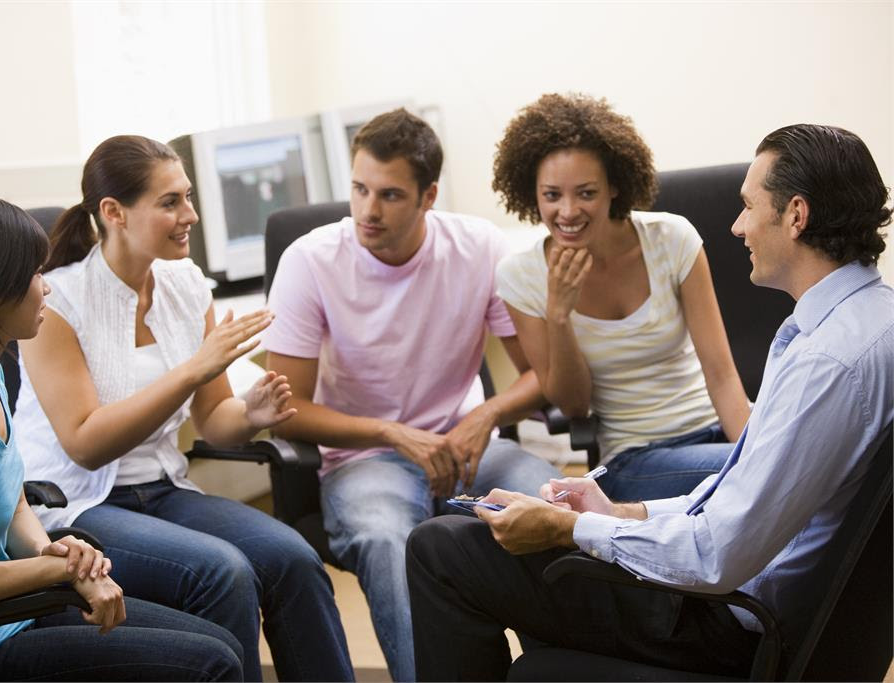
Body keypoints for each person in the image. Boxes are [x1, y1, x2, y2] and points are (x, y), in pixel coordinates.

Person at [407, 123, 894, 681]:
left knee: (439, 549)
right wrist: (622, 512)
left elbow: (718, 552)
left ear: (796, 215)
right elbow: (740, 493)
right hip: (726, 584)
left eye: (748, 207)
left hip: (724, 620)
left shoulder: (827, 362)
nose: (737, 226)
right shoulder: (869, 321)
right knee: (480, 553)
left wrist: (571, 530)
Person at [13, 135, 353, 682]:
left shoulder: (187, 285)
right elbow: (85, 442)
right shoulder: (58, 301)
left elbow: (214, 417)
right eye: (170, 202)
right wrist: (192, 368)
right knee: (226, 573)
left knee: (292, 558)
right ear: (113, 212)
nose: (190, 215)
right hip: (78, 504)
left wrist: (252, 414)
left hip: (163, 490)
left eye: (188, 197)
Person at [0, 195, 243, 682]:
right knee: (213, 663)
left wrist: (52, 550)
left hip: (4, 618)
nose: (47, 290)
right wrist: (64, 571)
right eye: (35, 275)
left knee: (221, 643)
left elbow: (11, 503)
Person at [262, 108, 562, 681]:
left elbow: (538, 376)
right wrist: (391, 432)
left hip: (466, 445)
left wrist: (487, 415)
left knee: (549, 504)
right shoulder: (310, 260)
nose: (368, 211)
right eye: (359, 189)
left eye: (390, 195)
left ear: (429, 196)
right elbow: (288, 409)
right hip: (366, 458)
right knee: (386, 541)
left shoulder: (478, 247)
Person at [492, 93, 750, 501]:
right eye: (552, 195)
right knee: (760, 473)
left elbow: (722, 375)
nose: (568, 211)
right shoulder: (520, 275)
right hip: (635, 459)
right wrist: (559, 314)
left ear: (614, 186)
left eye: (586, 193)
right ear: (532, 193)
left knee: (796, 459)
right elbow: (573, 406)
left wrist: (754, 452)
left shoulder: (672, 239)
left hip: (715, 430)